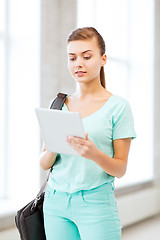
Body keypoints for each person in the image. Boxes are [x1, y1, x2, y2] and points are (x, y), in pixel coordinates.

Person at [40, 27, 136, 240]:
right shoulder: (57, 104)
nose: (78, 64)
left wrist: (94, 154)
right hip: (56, 204)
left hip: (97, 203)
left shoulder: (118, 107)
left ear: (103, 59)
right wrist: (54, 147)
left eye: (86, 56)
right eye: (72, 58)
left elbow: (120, 169)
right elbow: (44, 163)